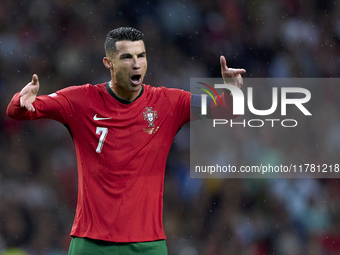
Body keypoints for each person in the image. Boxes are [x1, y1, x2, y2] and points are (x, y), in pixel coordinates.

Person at [6, 27, 246, 255]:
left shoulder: (168, 103)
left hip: (147, 246)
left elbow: (225, 110)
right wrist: (21, 98)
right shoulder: (80, 100)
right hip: (91, 243)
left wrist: (233, 90)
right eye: (127, 57)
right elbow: (20, 111)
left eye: (141, 56)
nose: (136, 64)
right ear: (108, 63)